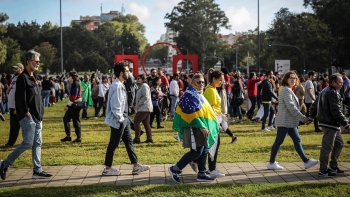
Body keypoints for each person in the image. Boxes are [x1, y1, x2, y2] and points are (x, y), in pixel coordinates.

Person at [0, 50, 52, 180]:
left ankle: (37, 170)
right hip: (28, 117)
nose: (38, 63)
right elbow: (20, 99)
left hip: (38, 116)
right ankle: (4, 164)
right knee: (28, 143)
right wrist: (26, 113)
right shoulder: (22, 78)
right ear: (28, 62)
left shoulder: (35, 77)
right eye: (36, 61)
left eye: (39, 61)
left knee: (37, 143)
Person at [102, 61, 150, 176]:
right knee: (113, 143)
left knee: (129, 142)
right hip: (119, 120)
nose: (129, 73)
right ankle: (107, 169)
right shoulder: (117, 86)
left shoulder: (120, 84)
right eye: (127, 71)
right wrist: (121, 119)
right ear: (121, 73)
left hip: (124, 118)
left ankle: (136, 166)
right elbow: (115, 106)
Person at [168, 74, 218, 183]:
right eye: (199, 82)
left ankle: (202, 173)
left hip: (201, 125)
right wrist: (201, 126)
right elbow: (191, 113)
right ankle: (175, 169)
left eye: (203, 82)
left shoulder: (198, 93)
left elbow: (203, 110)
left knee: (204, 149)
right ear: (192, 83)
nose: (201, 84)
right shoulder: (189, 94)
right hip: (194, 126)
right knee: (196, 151)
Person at [267, 71, 318, 170]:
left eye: (294, 78)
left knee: (297, 140)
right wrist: (303, 118)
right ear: (286, 79)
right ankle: (271, 163)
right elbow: (291, 107)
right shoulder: (286, 90)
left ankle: (306, 161)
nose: (293, 79)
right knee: (279, 141)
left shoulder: (289, 89)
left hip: (290, 121)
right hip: (285, 121)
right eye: (290, 77)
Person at [309, 73, 349, 177]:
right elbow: (336, 111)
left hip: (328, 123)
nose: (341, 84)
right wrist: (346, 124)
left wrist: (311, 117)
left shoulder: (325, 90)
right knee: (327, 147)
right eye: (339, 82)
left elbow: (314, 105)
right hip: (330, 123)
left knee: (339, 143)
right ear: (333, 82)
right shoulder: (332, 92)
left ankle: (333, 166)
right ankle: (323, 170)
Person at [203, 70, 227, 178]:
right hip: (212, 121)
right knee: (213, 145)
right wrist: (216, 124)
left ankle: (211, 168)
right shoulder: (210, 91)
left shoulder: (213, 89)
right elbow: (211, 108)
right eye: (220, 80)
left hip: (215, 120)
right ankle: (211, 169)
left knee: (214, 145)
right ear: (214, 79)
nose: (222, 82)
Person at [4, 63, 24, 147]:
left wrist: (17, 106)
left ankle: (27, 142)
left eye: (16, 69)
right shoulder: (14, 77)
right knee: (13, 125)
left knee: (23, 125)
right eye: (14, 69)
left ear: (21, 69)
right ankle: (10, 142)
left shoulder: (22, 78)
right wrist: (8, 89)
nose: (14, 70)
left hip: (18, 106)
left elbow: (21, 94)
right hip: (12, 106)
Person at [60, 71, 83, 143]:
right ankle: (68, 136)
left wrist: (67, 105)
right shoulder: (74, 83)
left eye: (69, 76)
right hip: (73, 104)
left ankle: (79, 138)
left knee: (76, 121)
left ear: (72, 77)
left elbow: (74, 97)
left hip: (75, 104)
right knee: (66, 119)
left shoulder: (75, 84)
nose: (68, 77)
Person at [133, 74, 153, 144]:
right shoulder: (141, 86)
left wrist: (138, 104)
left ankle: (137, 138)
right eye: (137, 78)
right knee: (146, 123)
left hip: (144, 107)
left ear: (143, 79)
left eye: (139, 78)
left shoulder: (144, 86)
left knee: (136, 121)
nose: (137, 79)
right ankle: (149, 138)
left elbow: (145, 97)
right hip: (145, 107)